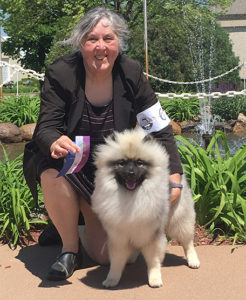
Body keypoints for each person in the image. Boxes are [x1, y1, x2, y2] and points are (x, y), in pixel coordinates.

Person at [23, 6, 183, 281]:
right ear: (80, 43)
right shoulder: (61, 72)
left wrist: (174, 175)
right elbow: (45, 127)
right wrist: (54, 140)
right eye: (91, 39)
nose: (100, 47)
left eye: (108, 39)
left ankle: (69, 220)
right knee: (51, 170)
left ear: (119, 41)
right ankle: (69, 249)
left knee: (105, 256)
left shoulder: (131, 72)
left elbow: (159, 128)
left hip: (106, 171)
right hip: (68, 162)